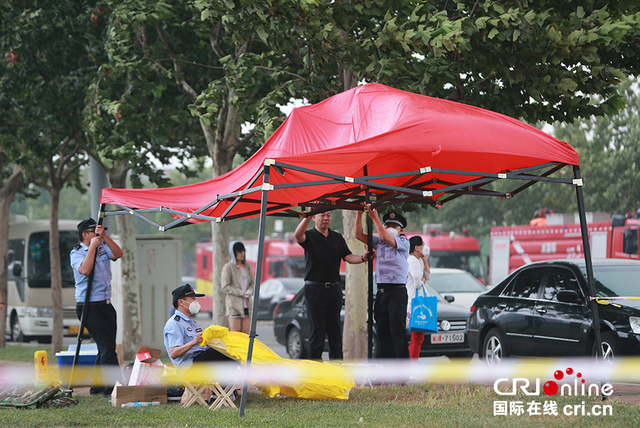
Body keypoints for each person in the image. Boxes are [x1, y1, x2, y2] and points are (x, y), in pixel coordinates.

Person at [294, 210, 370, 360]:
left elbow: (348, 257)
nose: (326, 218)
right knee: (317, 332)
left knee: (335, 331)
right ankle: (315, 369)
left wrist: (363, 257)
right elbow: (298, 235)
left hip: (333, 289)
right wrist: (308, 215)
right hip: (314, 289)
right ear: (315, 217)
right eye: (322, 215)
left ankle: (338, 367)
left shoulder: (337, 237)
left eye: (328, 215)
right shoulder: (309, 236)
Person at [70, 218, 123, 396]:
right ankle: (114, 387)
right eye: (95, 231)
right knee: (107, 347)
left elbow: (118, 254)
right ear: (85, 235)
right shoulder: (77, 253)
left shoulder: (103, 247)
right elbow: (85, 270)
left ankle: (97, 387)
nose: (98, 234)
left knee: (106, 347)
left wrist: (105, 237)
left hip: (106, 304)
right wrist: (92, 247)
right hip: (88, 306)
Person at [356, 208, 410, 359]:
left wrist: (374, 218)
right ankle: (385, 370)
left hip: (397, 292)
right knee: (382, 331)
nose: (390, 229)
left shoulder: (404, 242)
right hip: (381, 291)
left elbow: (387, 238)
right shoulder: (379, 241)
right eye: (388, 225)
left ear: (401, 230)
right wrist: (359, 214)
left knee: (397, 331)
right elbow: (358, 235)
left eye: (395, 226)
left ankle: (402, 373)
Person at [163, 284, 233, 377]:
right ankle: (222, 390)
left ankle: (224, 389)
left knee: (228, 349)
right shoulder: (175, 324)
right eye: (192, 299)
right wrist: (194, 342)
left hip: (199, 359)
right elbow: (173, 353)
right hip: (188, 366)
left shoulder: (191, 322)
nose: (195, 302)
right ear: (181, 302)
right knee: (222, 354)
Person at [221, 241, 255, 334]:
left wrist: (250, 291)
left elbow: (253, 283)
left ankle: (246, 349)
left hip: (247, 304)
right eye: (239, 252)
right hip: (234, 304)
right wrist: (241, 293)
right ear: (234, 253)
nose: (242, 254)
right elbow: (225, 287)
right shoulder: (228, 267)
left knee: (246, 334)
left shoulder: (247, 267)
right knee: (235, 333)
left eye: (243, 251)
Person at [406, 236, 431, 360]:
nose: (425, 247)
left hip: (419, 301)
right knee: (417, 337)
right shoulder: (412, 261)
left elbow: (428, 276)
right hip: (414, 302)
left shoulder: (419, 260)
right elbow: (417, 284)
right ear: (416, 247)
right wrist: (423, 280)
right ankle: (411, 368)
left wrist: (425, 261)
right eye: (422, 244)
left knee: (418, 337)